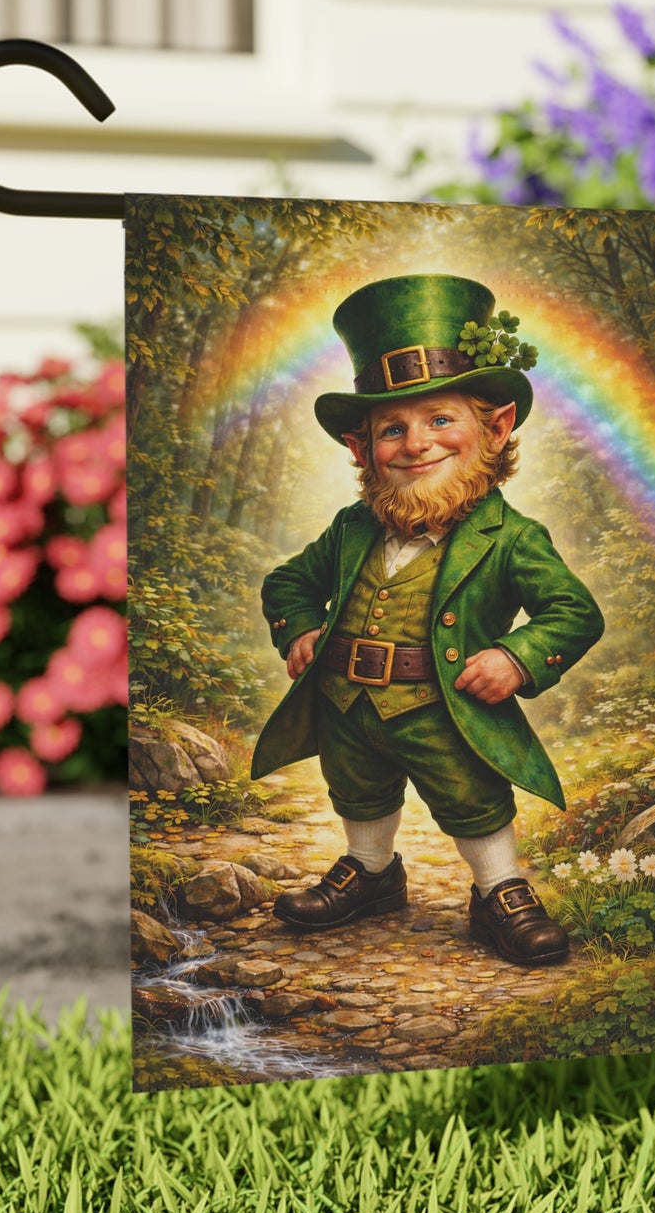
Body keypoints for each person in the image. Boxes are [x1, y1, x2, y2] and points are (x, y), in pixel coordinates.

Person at [251, 274, 603, 965]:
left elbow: (573, 611)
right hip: (346, 700)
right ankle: (371, 872)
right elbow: (288, 580)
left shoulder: (509, 536)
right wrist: (298, 626)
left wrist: (516, 656)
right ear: (361, 448)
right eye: (393, 427)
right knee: (357, 785)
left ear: (493, 428)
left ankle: (499, 889)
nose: (416, 443)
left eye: (440, 420)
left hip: (445, 706)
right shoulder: (354, 526)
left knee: (471, 797)